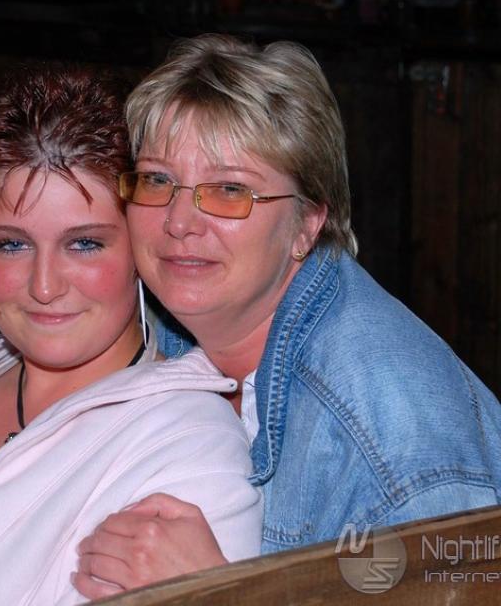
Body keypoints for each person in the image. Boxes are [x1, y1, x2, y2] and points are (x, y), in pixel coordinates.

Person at [73, 33, 501, 599]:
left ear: (307, 223)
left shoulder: (390, 435)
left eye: (230, 190)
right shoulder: (163, 322)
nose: (178, 222)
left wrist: (224, 592)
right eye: (157, 180)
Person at [0, 63, 262, 605]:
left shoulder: (187, 444)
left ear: (141, 248)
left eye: (85, 244)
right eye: (12, 244)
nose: (44, 286)